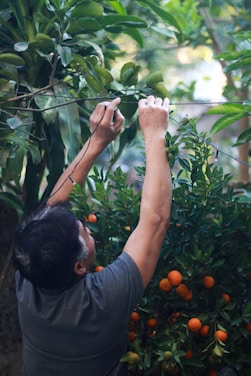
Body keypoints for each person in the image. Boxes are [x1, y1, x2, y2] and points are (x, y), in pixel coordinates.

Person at [12, 95, 172, 376]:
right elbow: (155, 222)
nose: (86, 225)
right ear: (78, 266)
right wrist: (155, 135)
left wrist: (97, 140)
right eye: (84, 232)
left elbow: (53, 208)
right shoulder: (103, 300)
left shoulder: (29, 273)